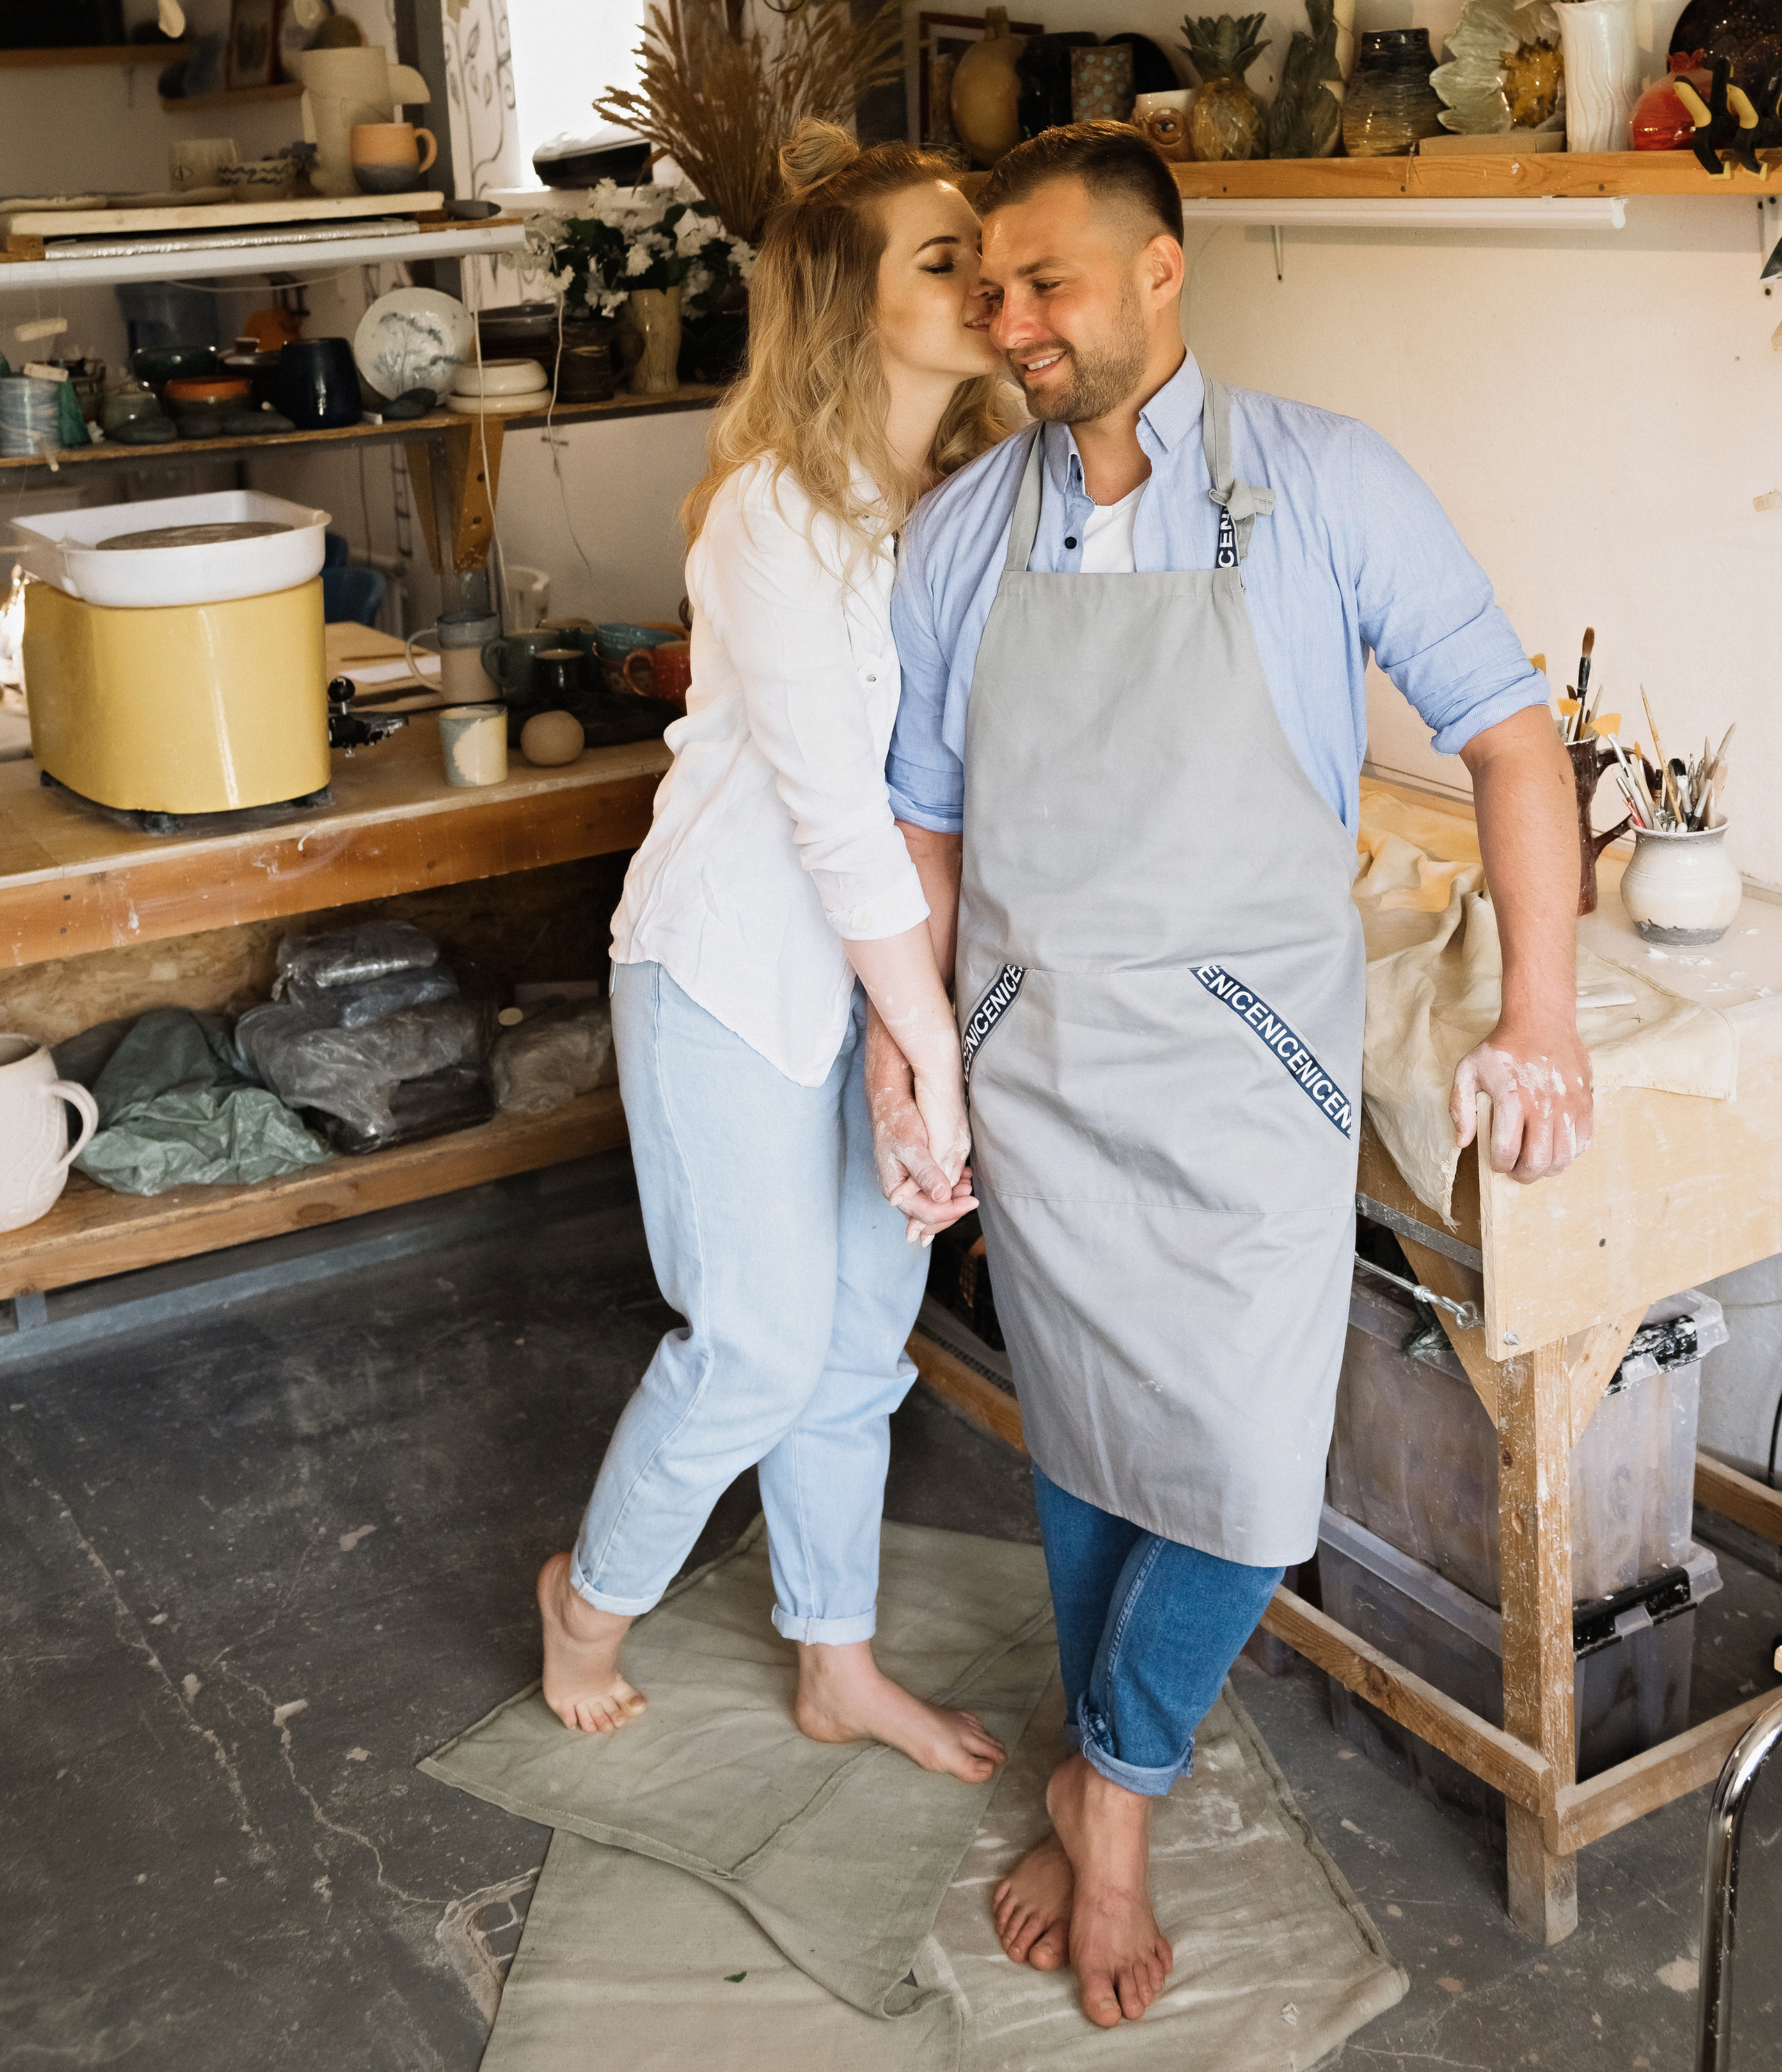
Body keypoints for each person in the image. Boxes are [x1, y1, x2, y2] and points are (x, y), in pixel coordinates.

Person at [871, 121, 1591, 2023]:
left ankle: (1105, 1792)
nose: (1012, 320)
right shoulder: (963, 530)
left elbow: (1517, 743)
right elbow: (923, 829)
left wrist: (1540, 1016)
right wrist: (924, 1061)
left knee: (1256, 1489)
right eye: (989, 287)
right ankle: (1110, 1776)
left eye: (1048, 282)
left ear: (1161, 272)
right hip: (1041, 1066)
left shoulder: (1324, 483)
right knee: (1094, 1446)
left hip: (1251, 1078)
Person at [536, 119, 1014, 1782]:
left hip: (882, 991)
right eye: (940, 256)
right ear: (843, 303)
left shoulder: (950, 505)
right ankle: (584, 1604)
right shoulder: (770, 515)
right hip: (733, 975)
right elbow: (830, 818)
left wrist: (916, 1033)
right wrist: (935, 1059)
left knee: (852, 1349)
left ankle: (836, 1660)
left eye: (982, 247)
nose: (985, 275)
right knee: (746, 1349)